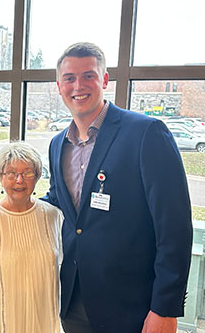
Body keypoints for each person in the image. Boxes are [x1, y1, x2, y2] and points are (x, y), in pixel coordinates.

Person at [43, 42, 193, 333]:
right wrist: (11, 208)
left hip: (132, 306)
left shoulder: (146, 133)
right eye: (70, 78)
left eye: (89, 76)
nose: (79, 85)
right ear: (59, 86)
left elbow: (174, 227)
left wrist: (165, 307)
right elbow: (60, 203)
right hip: (74, 300)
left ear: (105, 80)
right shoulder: (57, 144)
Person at [0, 142, 63, 333]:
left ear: (36, 177)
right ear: (0, 177)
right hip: (2, 324)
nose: (19, 180)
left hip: (44, 322)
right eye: (11, 173)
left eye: (27, 173)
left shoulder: (54, 217)